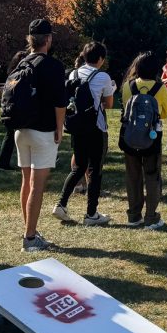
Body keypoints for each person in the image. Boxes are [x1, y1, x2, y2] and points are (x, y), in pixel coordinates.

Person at [12, 18, 67, 252]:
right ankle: (30, 237)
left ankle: (29, 229)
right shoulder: (53, 66)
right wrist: (59, 127)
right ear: (49, 39)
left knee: (26, 182)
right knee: (37, 185)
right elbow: (60, 102)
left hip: (20, 130)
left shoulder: (20, 63)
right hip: (42, 130)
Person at [53, 41, 115, 225]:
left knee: (78, 167)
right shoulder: (103, 76)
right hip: (96, 127)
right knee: (95, 170)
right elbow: (109, 104)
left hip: (77, 125)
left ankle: (61, 204)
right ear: (101, 59)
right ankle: (91, 214)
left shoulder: (74, 73)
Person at [119, 51, 167, 228]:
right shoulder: (160, 88)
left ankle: (133, 215)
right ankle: (151, 216)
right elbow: (164, 113)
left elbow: (125, 108)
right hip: (152, 136)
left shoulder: (128, 86)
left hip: (130, 136)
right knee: (152, 175)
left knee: (133, 176)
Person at [0, 50, 27, 170]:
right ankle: (3, 164)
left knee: (10, 136)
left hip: (7, 109)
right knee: (12, 136)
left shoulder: (11, 75)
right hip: (13, 110)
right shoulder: (19, 76)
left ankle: (2, 164)